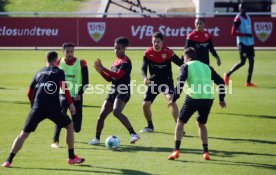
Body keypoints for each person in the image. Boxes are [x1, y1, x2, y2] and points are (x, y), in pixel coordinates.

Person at [1, 51, 85, 168]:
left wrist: (33, 105)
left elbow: (29, 92)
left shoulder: (39, 72)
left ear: (45, 60)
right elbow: (64, 88)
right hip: (53, 109)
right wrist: (71, 104)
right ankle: (71, 157)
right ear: (57, 60)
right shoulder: (59, 71)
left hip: (37, 108)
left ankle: (8, 161)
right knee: (69, 125)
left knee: (23, 134)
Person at [167, 47, 226, 161]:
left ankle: (176, 150)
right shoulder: (207, 67)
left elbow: (180, 83)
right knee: (201, 123)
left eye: (183, 57)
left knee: (180, 122)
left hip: (193, 97)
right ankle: (205, 152)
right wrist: (221, 99)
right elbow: (221, 82)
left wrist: (173, 99)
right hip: (208, 99)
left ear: (186, 57)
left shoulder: (186, 66)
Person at [88, 37, 140, 145]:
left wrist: (103, 68)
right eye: (115, 48)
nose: (116, 50)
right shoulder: (115, 62)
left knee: (116, 112)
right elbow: (110, 79)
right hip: (113, 91)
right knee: (101, 116)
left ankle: (133, 134)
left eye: (119, 48)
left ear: (124, 49)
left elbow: (118, 75)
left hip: (123, 91)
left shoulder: (126, 62)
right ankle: (97, 139)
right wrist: (100, 72)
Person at [140, 32, 183, 133]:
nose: (156, 44)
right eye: (154, 42)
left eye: (158, 42)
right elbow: (143, 69)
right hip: (154, 82)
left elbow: (181, 64)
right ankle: (150, 126)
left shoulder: (168, 52)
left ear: (162, 42)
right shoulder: (147, 53)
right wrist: (145, 77)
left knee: (171, 100)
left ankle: (179, 127)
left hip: (166, 82)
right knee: (145, 104)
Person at [51, 42, 89, 148]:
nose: (70, 54)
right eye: (67, 51)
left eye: (71, 51)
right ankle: (55, 140)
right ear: (63, 52)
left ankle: (69, 129)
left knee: (77, 128)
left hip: (76, 96)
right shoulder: (58, 62)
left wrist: (79, 93)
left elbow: (86, 82)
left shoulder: (82, 63)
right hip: (62, 94)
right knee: (60, 115)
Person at [224, 3, 256, 87]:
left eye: (243, 8)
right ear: (239, 9)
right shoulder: (238, 19)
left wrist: (250, 37)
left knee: (252, 61)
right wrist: (245, 35)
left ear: (246, 8)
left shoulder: (248, 17)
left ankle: (248, 82)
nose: (242, 9)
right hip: (242, 43)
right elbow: (233, 33)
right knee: (242, 62)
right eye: (240, 8)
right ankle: (227, 74)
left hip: (250, 43)